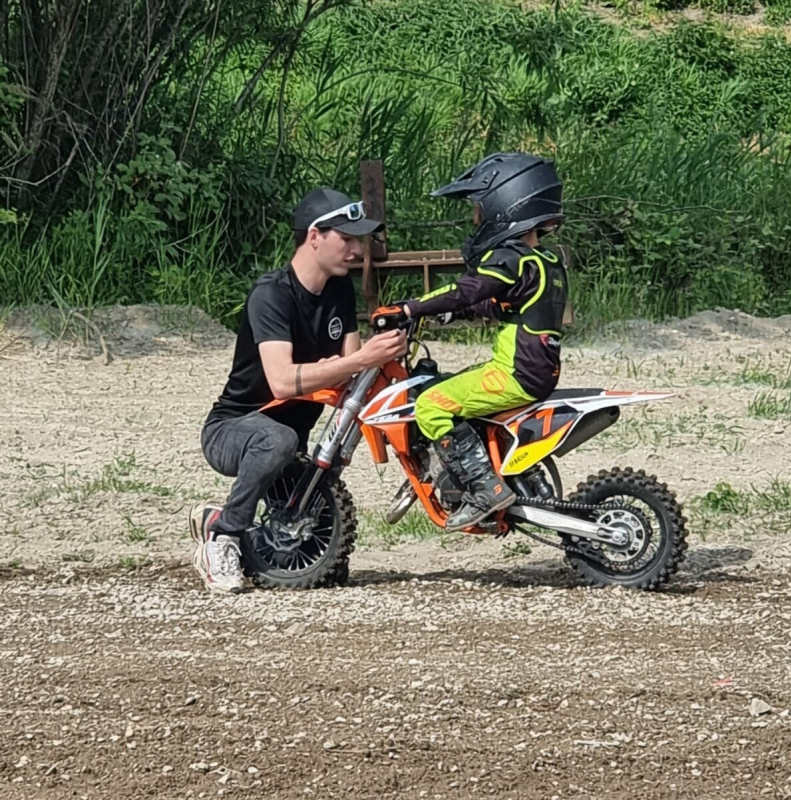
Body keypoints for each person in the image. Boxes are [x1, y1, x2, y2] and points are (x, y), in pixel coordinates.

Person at [190, 188, 408, 593]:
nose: (357, 250)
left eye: (359, 240)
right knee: (278, 439)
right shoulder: (271, 294)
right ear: (314, 236)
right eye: (347, 238)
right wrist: (357, 361)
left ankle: (223, 520)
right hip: (234, 430)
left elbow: (349, 373)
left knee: (313, 560)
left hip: (292, 446)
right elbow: (282, 381)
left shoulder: (339, 290)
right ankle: (223, 535)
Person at [403, 152, 569, 531]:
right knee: (447, 386)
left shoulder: (512, 259)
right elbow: (496, 303)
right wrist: (454, 314)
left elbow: (466, 290)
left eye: (479, 210)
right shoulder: (542, 261)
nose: (476, 220)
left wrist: (409, 308)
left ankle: (484, 488)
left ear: (505, 205)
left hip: (516, 373)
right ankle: (490, 473)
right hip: (534, 369)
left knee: (430, 404)